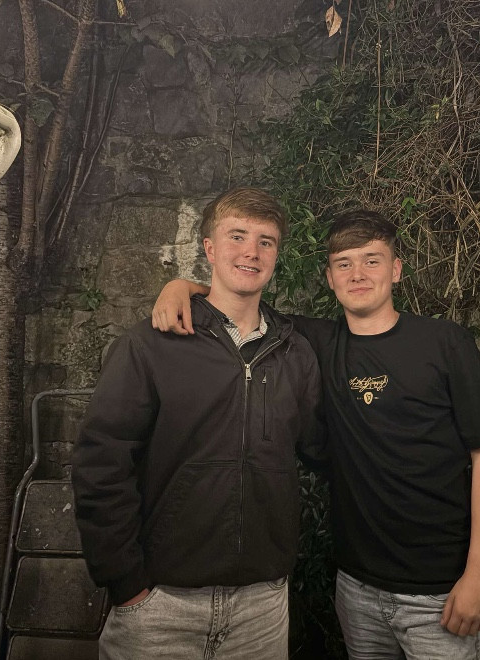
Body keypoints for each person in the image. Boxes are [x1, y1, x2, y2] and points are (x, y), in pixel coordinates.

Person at [152, 209, 480, 660]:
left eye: (372, 260)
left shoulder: (445, 342)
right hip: (357, 588)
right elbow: (240, 299)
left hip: (441, 590)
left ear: (396, 270)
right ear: (330, 278)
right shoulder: (314, 341)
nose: (358, 274)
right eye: (344, 264)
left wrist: (479, 573)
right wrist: (182, 286)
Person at [72, 187, 325, 660]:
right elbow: (101, 462)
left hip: (262, 608)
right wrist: (126, 584)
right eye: (237, 236)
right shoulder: (152, 343)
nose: (251, 252)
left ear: (277, 255)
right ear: (209, 248)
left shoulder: (295, 353)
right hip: (160, 607)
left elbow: (323, 449)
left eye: (266, 241)